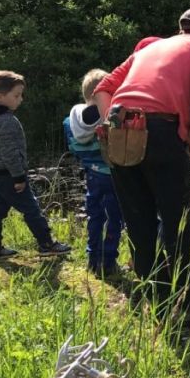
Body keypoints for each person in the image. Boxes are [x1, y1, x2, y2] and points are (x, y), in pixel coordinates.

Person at [93, 7, 190, 321]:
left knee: (138, 221)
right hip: (161, 129)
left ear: (181, 30)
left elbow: (103, 89)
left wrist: (115, 124)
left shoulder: (150, 47)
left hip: (120, 129)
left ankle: (159, 302)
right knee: (177, 221)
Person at [0, 71, 71, 258]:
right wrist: (19, 177)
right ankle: (47, 244)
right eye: (16, 95)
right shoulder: (7, 121)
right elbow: (10, 154)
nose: (21, 99)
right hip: (8, 174)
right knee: (31, 208)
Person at [64, 68, 123, 275]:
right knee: (114, 219)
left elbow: (73, 149)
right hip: (112, 175)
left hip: (91, 174)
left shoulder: (69, 122)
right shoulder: (110, 118)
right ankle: (107, 263)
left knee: (95, 216)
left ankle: (92, 259)